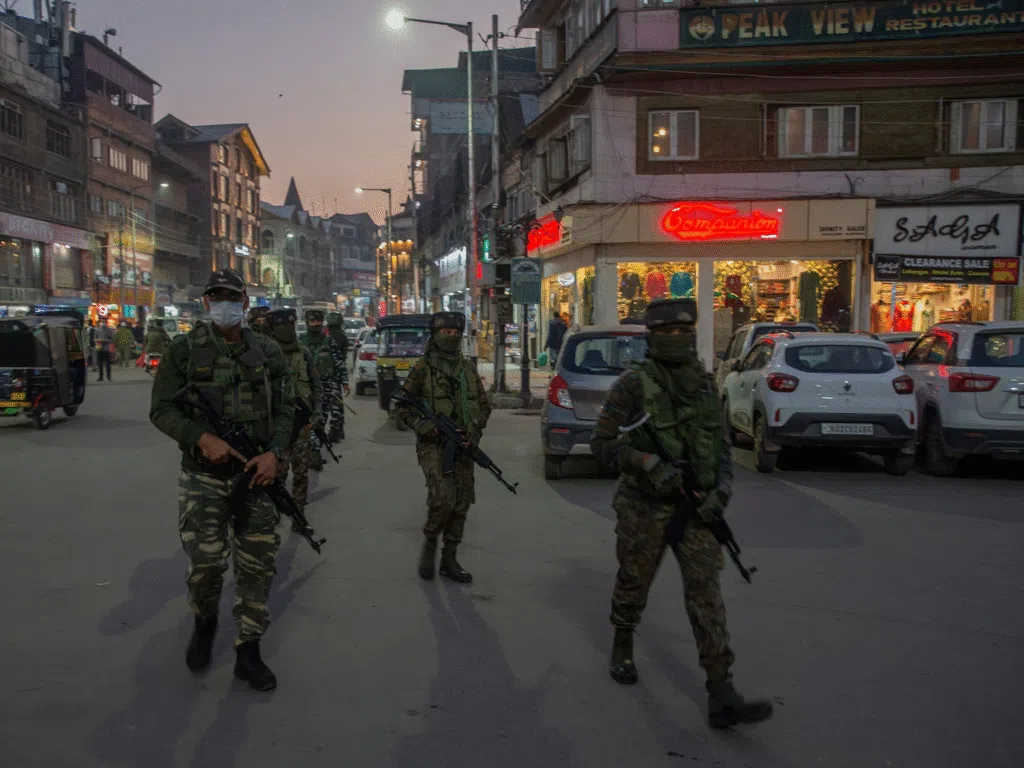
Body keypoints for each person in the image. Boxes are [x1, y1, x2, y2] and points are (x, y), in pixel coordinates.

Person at [590, 298, 773, 730]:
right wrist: (647, 463)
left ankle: (721, 689)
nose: (676, 339)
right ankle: (622, 640)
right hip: (644, 506)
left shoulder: (705, 384)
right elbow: (602, 444)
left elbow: (722, 449)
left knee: (706, 596)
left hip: (696, 507)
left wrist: (721, 492)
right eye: (666, 332)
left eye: (683, 332)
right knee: (634, 581)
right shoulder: (632, 385)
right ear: (650, 337)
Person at [149, 268, 295, 692]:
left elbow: (289, 407)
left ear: (246, 302)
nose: (224, 303)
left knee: (257, 566)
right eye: (216, 296)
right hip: (203, 478)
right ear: (206, 302)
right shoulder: (183, 350)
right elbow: (161, 410)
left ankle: (248, 651)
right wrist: (200, 437)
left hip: (257, 477)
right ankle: (205, 618)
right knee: (207, 565)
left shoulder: (268, 350)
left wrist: (276, 453)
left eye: (232, 296)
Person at [394, 312, 491, 585]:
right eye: (444, 332)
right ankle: (430, 542)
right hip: (433, 445)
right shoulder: (423, 369)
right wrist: (424, 426)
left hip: (464, 445)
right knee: (442, 499)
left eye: (454, 333)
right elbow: (401, 407)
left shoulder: (467, 369)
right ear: (434, 335)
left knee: (461, 503)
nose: (450, 337)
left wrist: (474, 428)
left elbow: (484, 405)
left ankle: (450, 558)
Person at [266, 308, 322, 528]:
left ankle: (299, 513)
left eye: (290, 325)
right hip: (276, 424)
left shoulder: (303, 353)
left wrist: (317, 413)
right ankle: (275, 509)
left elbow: (316, 385)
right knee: (277, 474)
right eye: (281, 326)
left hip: (301, 424)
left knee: (301, 472)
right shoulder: (265, 353)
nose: (287, 330)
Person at [302, 310, 348, 464]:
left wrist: (345, 382)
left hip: (326, 386)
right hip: (306, 388)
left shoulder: (329, 341)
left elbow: (338, 362)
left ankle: (314, 452)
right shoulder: (300, 341)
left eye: (318, 322)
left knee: (321, 419)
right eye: (312, 322)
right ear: (307, 323)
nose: (315, 325)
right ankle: (311, 451)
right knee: (308, 421)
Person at [324, 312, 351, 441]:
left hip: (330, 374)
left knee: (333, 404)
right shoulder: (342, 336)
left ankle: (335, 431)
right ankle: (339, 429)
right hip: (338, 373)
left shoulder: (330, 338)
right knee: (338, 403)